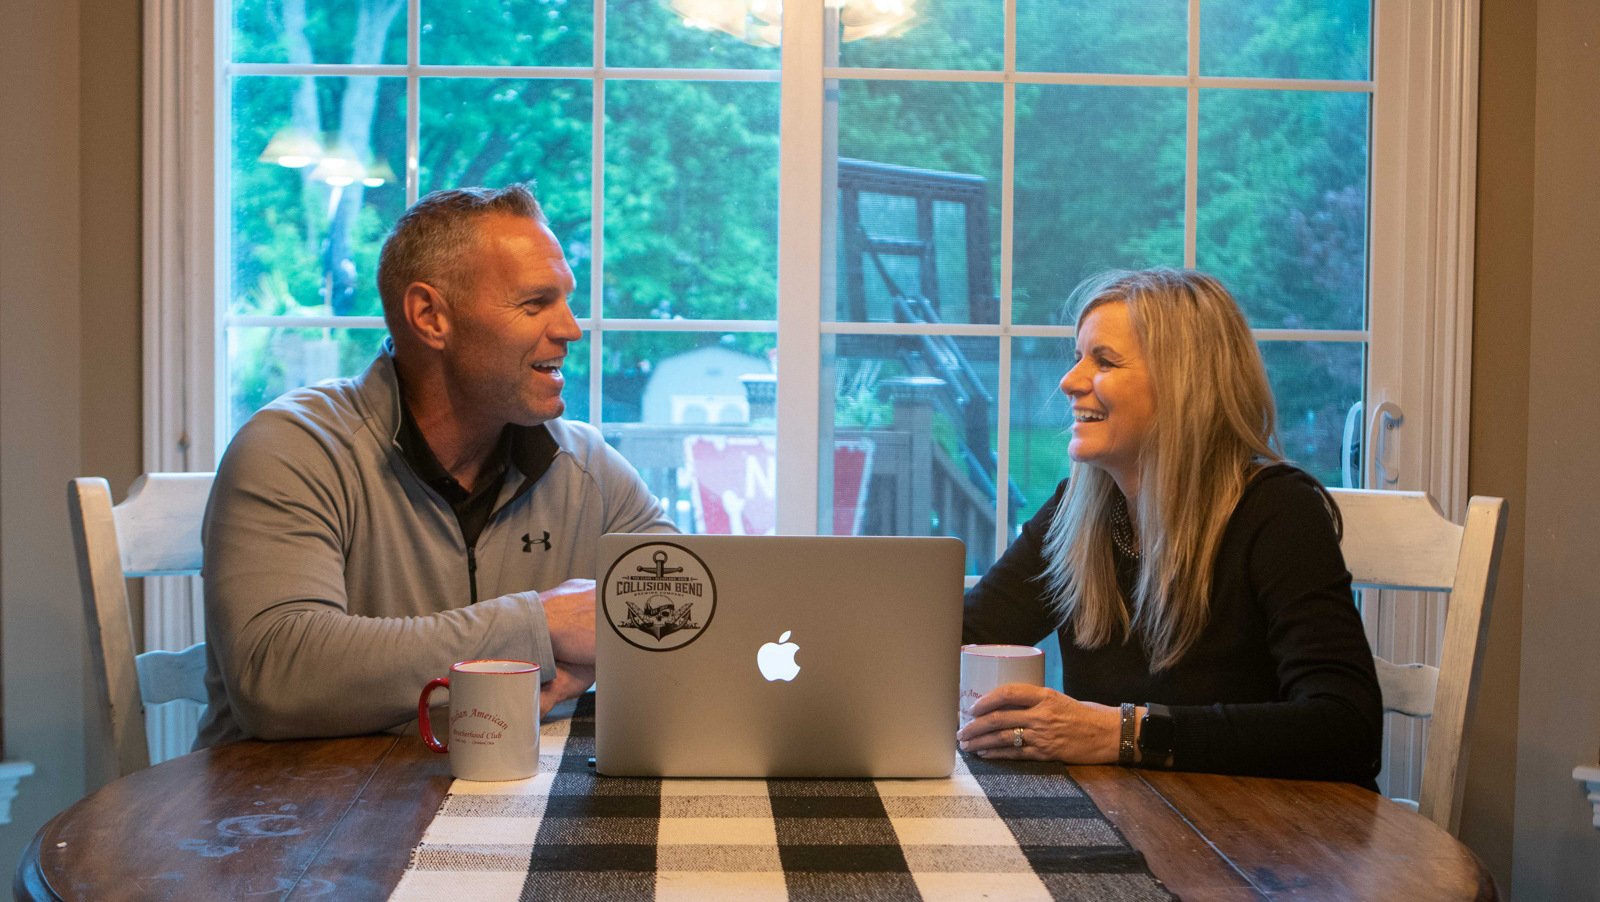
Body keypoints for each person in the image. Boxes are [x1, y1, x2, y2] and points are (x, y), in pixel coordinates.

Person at [196, 185, 675, 747]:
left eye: (566, 300)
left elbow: (694, 627)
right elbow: (278, 674)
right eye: (535, 303)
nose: (570, 329)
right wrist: (541, 627)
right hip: (289, 822)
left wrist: (600, 657)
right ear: (430, 317)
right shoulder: (292, 448)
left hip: (500, 809)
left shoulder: (589, 470)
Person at [957, 268, 1382, 786]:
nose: (1069, 382)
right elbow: (961, 637)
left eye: (1105, 361)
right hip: (1131, 819)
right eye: (1077, 358)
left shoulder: (1278, 511)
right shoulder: (1077, 514)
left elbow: (1347, 730)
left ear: (1184, 386)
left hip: (1266, 844)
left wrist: (1121, 733)